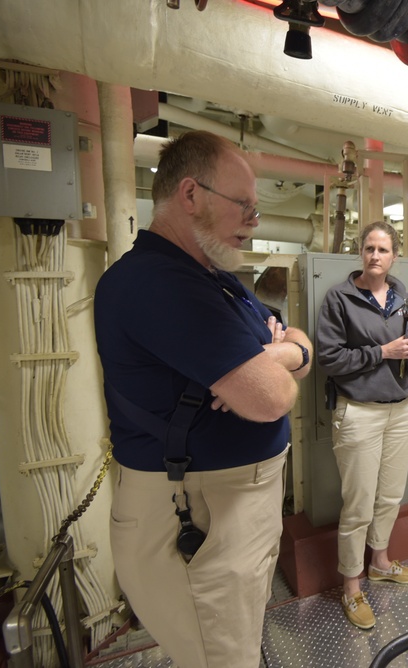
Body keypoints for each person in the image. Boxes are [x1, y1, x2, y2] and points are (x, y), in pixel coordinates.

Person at [94, 130, 313, 668]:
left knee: (234, 643)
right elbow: (272, 397)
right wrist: (278, 358)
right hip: (197, 513)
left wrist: (281, 352)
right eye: (244, 206)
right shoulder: (157, 282)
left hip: (232, 509)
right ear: (189, 194)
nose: (253, 222)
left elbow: (300, 342)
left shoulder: (216, 279)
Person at [315, 221, 408, 630]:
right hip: (359, 412)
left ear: (395, 255)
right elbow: (330, 358)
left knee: (390, 495)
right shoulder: (339, 298)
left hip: (401, 408)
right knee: (358, 503)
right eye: (369, 248)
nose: (375, 256)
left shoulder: (400, 294)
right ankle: (351, 585)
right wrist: (383, 351)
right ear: (360, 253)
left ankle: (379, 561)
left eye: (383, 249)